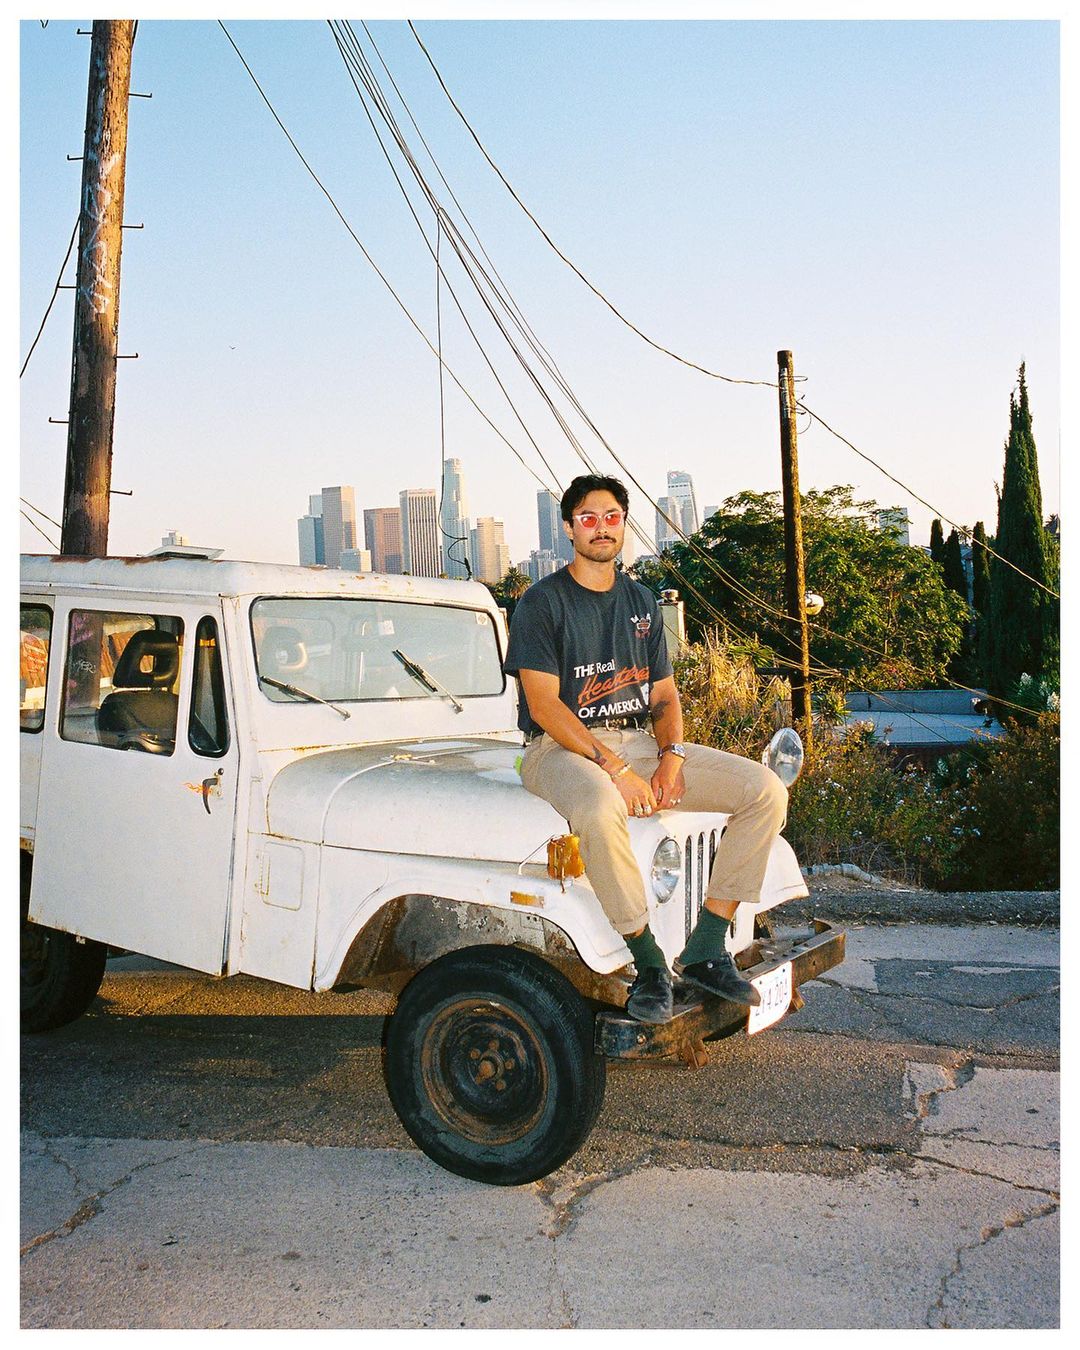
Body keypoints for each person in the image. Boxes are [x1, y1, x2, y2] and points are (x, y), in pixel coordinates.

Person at [504, 474, 789, 1024]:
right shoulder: (541, 603)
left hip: (637, 741)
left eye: (612, 517)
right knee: (598, 806)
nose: (601, 528)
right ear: (569, 528)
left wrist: (672, 757)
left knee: (765, 791)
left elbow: (663, 696)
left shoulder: (639, 600)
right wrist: (617, 771)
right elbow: (544, 706)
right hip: (559, 749)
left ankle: (706, 946)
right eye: (588, 518)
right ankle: (650, 963)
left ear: (624, 525)